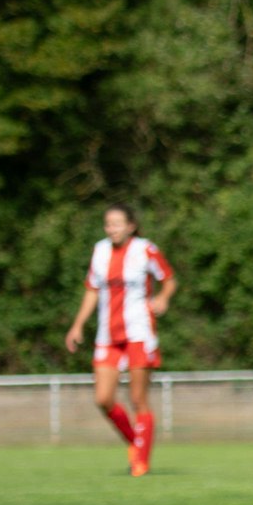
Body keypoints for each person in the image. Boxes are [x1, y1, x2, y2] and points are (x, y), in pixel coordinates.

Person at [63, 203, 174, 477]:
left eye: (117, 223)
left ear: (131, 226)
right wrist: (77, 325)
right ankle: (137, 443)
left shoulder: (145, 249)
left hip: (139, 333)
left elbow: (169, 280)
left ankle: (141, 463)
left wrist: (163, 297)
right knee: (103, 399)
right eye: (108, 224)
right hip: (108, 335)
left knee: (138, 398)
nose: (111, 228)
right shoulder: (100, 251)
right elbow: (92, 289)